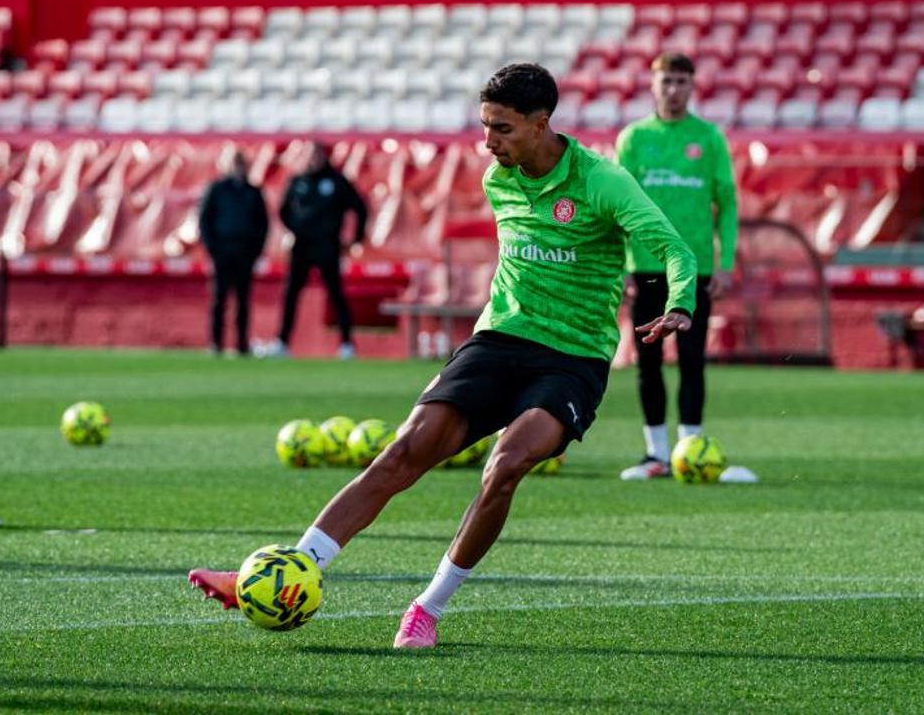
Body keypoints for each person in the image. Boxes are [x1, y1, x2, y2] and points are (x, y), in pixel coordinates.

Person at [189, 63, 697, 648]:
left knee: (506, 465)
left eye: (502, 129)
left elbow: (673, 248)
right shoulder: (499, 179)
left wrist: (680, 303)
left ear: (541, 124)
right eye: (485, 126)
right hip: (499, 339)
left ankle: (426, 609)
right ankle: (286, 571)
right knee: (403, 451)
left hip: (572, 356)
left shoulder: (603, 182)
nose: (488, 141)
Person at [615, 52, 738, 482]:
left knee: (691, 359)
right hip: (646, 264)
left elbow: (727, 204)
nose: (673, 90)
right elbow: (616, 207)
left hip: (695, 269)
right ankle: (656, 454)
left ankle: (690, 449)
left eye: (681, 81)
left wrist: (725, 262)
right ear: (653, 85)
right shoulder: (634, 138)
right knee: (648, 361)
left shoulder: (708, 138)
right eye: (666, 81)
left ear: (692, 86)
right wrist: (621, 266)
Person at [259, 144, 367, 360]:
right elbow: (283, 210)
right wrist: (296, 228)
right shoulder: (298, 181)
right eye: (309, 155)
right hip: (302, 246)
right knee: (291, 294)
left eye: (317, 155)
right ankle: (282, 342)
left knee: (336, 294)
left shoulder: (336, 181)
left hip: (327, 246)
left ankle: (347, 344)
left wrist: (355, 239)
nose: (313, 159)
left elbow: (360, 208)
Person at [198, 148, 268, 356]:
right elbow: (205, 220)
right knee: (219, 299)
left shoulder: (252, 192)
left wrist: (255, 250)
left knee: (243, 300)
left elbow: (262, 223)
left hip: (245, 251)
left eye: (240, 163)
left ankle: (242, 344)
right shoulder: (216, 189)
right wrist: (212, 247)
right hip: (222, 250)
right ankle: (216, 343)